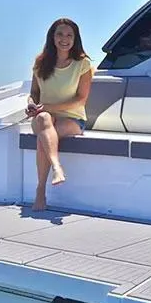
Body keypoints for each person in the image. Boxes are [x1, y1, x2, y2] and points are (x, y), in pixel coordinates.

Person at [26, 17, 94, 211]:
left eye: (69, 35)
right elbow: (34, 93)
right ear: (52, 37)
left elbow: (81, 99)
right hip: (43, 116)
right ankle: (57, 168)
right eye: (60, 34)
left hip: (72, 119)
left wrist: (49, 107)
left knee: (45, 137)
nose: (64, 39)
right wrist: (31, 104)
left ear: (75, 38)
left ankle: (40, 191)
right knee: (44, 121)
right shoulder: (40, 63)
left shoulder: (82, 64)